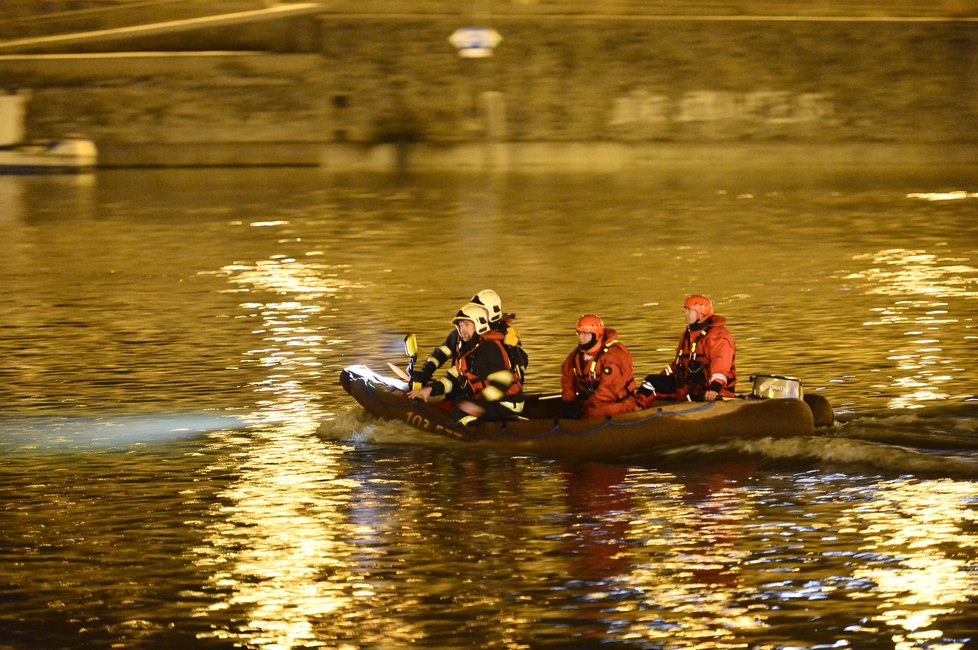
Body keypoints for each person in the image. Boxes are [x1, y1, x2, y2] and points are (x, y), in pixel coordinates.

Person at [408, 303, 524, 425]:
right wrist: (430, 390)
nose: (462, 329)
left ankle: (471, 441)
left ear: (478, 324)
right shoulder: (467, 350)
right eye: (460, 325)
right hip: (488, 401)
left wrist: (478, 405)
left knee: (462, 416)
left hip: (507, 403)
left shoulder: (488, 349)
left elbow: (502, 383)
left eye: (467, 324)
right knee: (457, 409)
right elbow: (453, 379)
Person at [410, 289, 528, 389]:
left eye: (481, 310)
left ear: (493, 312)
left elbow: (520, 366)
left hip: (490, 393)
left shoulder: (505, 337)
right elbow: (441, 353)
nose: (475, 313)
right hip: (460, 386)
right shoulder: (462, 332)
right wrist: (425, 372)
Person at [636, 294, 737, 406]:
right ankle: (635, 410)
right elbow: (678, 364)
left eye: (689, 310)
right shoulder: (687, 334)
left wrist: (715, 389)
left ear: (701, 313)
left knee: (652, 384)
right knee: (650, 382)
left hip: (714, 391)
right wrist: (662, 376)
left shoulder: (719, 336)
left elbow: (721, 365)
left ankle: (635, 413)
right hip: (690, 387)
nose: (685, 314)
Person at [560, 314, 637, 418]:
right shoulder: (575, 357)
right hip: (589, 402)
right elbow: (567, 381)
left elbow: (608, 392)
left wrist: (584, 407)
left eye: (585, 334)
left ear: (597, 335)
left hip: (617, 403)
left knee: (591, 414)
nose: (581, 337)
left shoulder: (613, 356)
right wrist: (568, 403)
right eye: (579, 333)